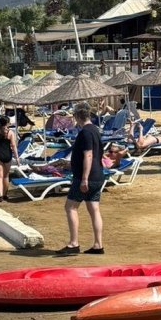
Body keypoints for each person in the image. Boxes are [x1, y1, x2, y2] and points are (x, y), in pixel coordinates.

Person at [59, 102, 105, 255]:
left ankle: (74, 243)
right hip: (98, 175)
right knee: (94, 209)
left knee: (70, 207)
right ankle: (98, 245)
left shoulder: (85, 132)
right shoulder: (95, 130)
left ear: (78, 116)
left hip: (87, 177)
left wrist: (84, 178)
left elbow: (88, 155)